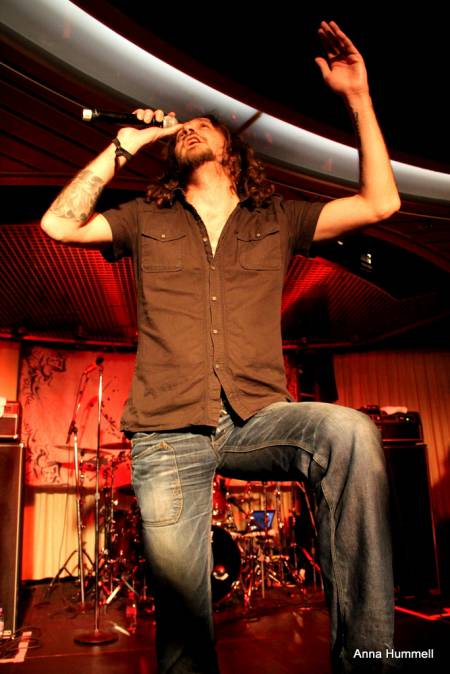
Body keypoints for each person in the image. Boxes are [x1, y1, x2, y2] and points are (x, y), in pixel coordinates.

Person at [41, 20, 400, 674]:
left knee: (350, 433)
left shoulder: (277, 218)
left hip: (258, 418)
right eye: (182, 128)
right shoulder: (144, 218)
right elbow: (58, 224)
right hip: (166, 434)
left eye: (203, 125)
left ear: (232, 151)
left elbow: (381, 202)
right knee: (184, 626)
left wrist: (358, 99)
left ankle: (369, 659)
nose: (189, 128)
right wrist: (124, 146)